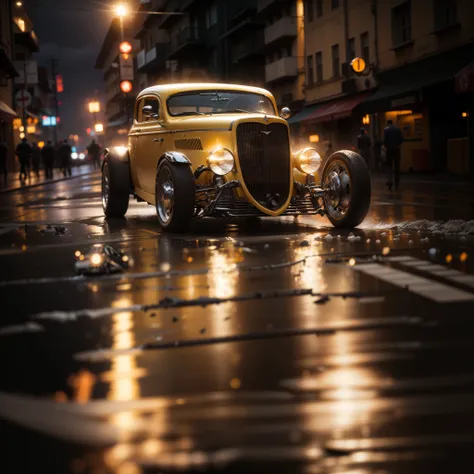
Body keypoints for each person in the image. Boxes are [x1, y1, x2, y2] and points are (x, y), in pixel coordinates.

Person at [384, 119, 404, 191]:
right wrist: (398, 144)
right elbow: (402, 139)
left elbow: (385, 140)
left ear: (388, 123)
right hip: (396, 149)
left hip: (389, 150)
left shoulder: (386, 130)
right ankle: (397, 182)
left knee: (389, 166)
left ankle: (390, 181)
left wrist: (386, 146)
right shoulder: (398, 129)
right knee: (397, 166)